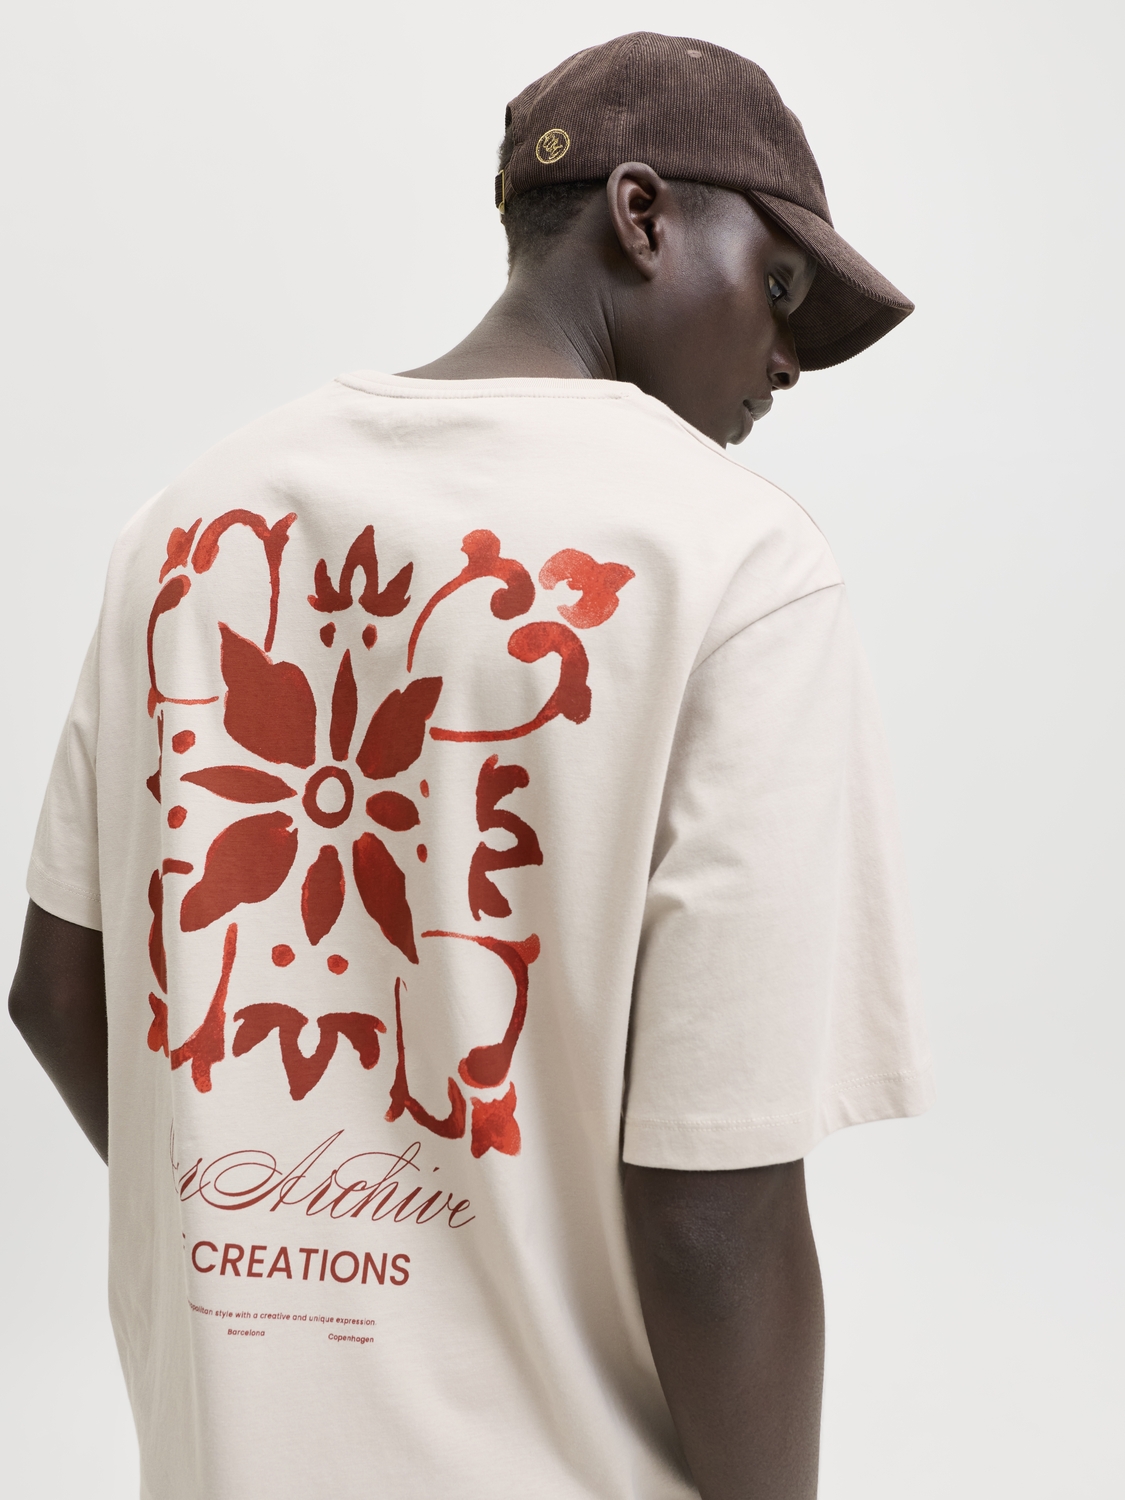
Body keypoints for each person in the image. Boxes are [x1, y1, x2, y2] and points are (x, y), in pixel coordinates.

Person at [8, 31, 932, 1500]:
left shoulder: (190, 525)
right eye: (777, 289)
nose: (786, 361)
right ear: (641, 217)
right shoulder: (730, 565)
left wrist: (280, 1239)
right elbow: (715, 1207)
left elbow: (62, 991)